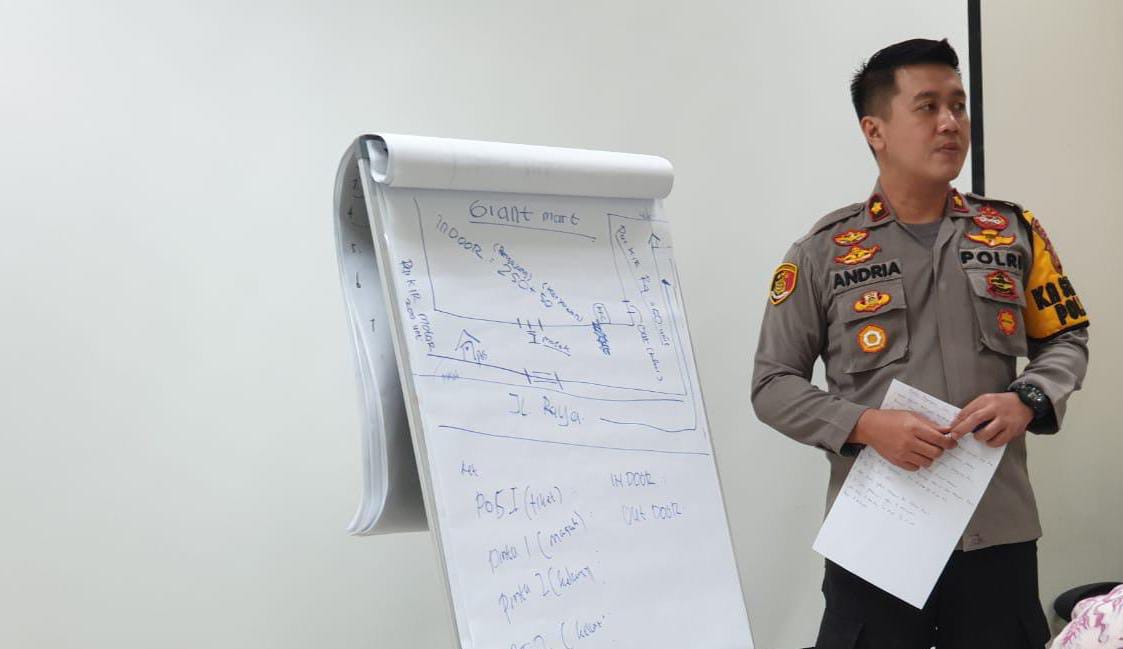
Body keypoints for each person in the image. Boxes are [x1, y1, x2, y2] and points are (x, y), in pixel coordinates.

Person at [751, 38, 1090, 648]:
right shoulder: (822, 252)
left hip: (996, 532)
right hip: (879, 537)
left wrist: (1028, 398)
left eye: (958, 105)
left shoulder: (1013, 233)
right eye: (928, 106)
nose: (950, 122)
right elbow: (772, 385)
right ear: (874, 130)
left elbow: (1066, 335)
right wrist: (865, 425)